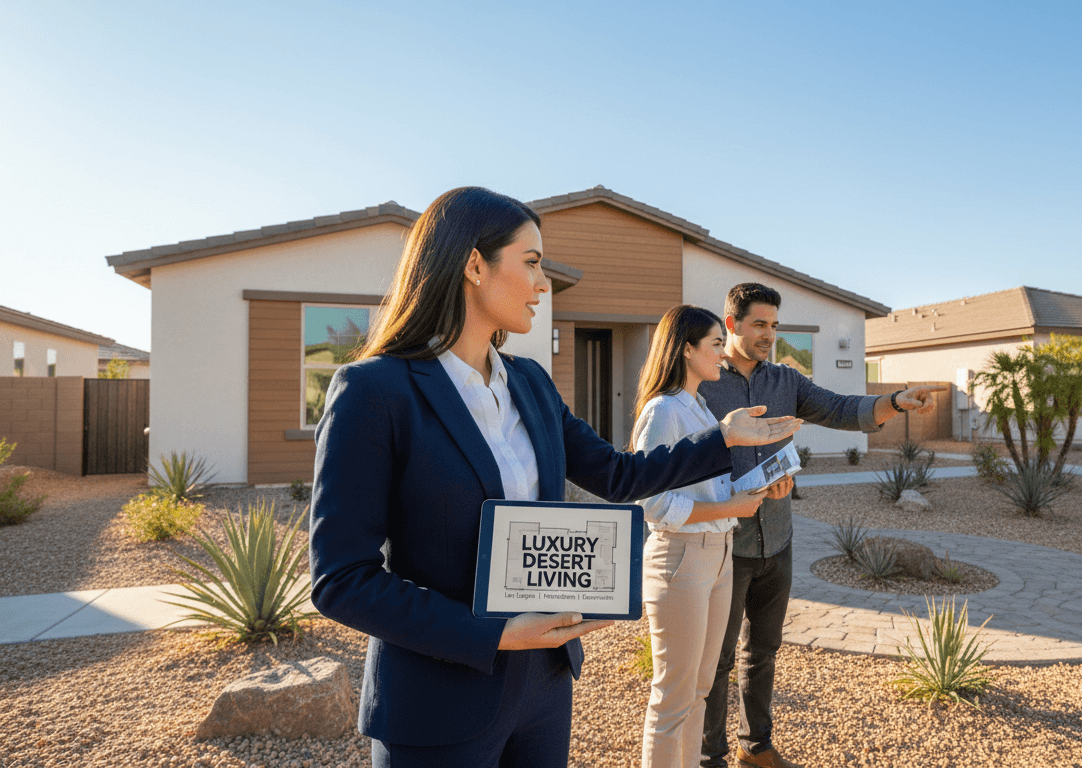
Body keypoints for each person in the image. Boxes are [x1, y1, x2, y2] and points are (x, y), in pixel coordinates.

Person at [307, 188, 803, 768]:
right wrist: (494, 632)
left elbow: (620, 477)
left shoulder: (531, 383)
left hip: (542, 691)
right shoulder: (374, 391)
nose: (544, 284)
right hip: (436, 703)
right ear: (473, 264)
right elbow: (343, 579)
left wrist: (723, 438)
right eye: (532, 263)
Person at [698, 283, 945, 768]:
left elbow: (839, 408)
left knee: (764, 649)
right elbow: (684, 457)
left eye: (774, 325)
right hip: (724, 540)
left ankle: (757, 747)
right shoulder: (703, 379)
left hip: (778, 537)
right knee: (718, 658)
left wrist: (895, 400)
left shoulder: (786, 381)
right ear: (731, 324)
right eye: (759, 325)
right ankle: (710, 756)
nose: (769, 334)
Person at [629, 305, 793, 768]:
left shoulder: (699, 405)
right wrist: (728, 508)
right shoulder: (663, 411)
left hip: (718, 554)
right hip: (681, 559)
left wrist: (760, 487)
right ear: (685, 349)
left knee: (700, 691)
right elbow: (654, 504)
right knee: (673, 697)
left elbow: (713, 489)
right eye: (716, 344)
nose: (724, 353)